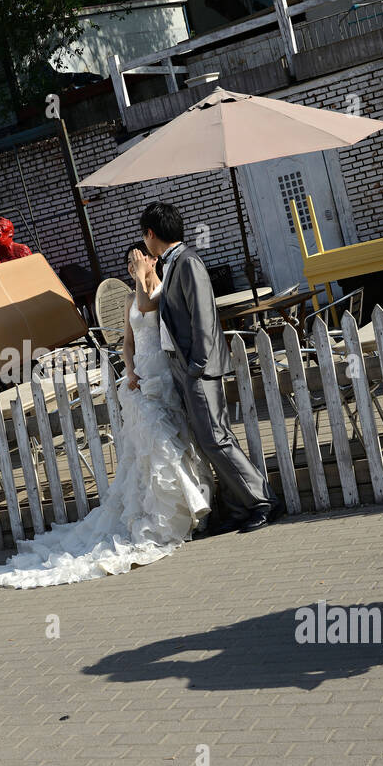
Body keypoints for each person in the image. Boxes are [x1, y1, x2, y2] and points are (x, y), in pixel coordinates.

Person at [0, 244, 212, 588]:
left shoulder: (161, 289)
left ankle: (192, 506)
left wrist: (143, 275)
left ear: (153, 259)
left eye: (137, 260)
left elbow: (146, 305)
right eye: (127, 262)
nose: (131, 266)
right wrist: (129, 369)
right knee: (148, 445)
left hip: (165, 374)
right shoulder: (129, 299)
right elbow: (127, 340)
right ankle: (161, 515)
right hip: (141, 375)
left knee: (173, 439)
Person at [147, 201, 283, 534]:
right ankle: (238, 508)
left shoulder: (188, 262)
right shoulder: (171, 264)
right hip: (183, 367)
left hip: (198, 368)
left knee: (217, 439)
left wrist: (197, 367)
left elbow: (204, 318)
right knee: (208, 441)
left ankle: (263, 501)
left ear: (151, 234)